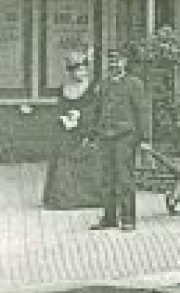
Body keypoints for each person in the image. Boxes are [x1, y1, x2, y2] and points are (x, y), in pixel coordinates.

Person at [91, 47, 152, 231]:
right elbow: (97, 111)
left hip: (125, 136)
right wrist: (94, 133)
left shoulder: (134, 84)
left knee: (124, 178)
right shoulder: (104, 84)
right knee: (106, 178)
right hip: (105, 136)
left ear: (125, 63)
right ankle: (109, 218)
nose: (114, 64)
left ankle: (128, 219)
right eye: (111, 61)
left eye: (118, 61)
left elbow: (143, 112)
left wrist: (145, 139)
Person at [42, 50, 102, 210]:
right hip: (67, 129)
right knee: (63, 159)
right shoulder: (64, 88)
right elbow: (60, 107)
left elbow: (97, 109)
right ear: (70, 71)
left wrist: (84, 120)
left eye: (83, 69)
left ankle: (91, 197)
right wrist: (64, 117)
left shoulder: (93, 88)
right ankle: (64, 198)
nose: (80, 73)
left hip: (88, 129)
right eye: (76, 70)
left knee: (89, 158)